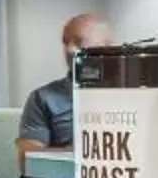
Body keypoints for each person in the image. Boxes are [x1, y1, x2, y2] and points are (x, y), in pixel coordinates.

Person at [18, 12, 111, 167]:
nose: (69, 50)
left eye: (78, 42)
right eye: (65, 42)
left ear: (107, 47)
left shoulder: (134, 94)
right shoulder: (42, 98)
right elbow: (28, 161)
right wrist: (82, 153)